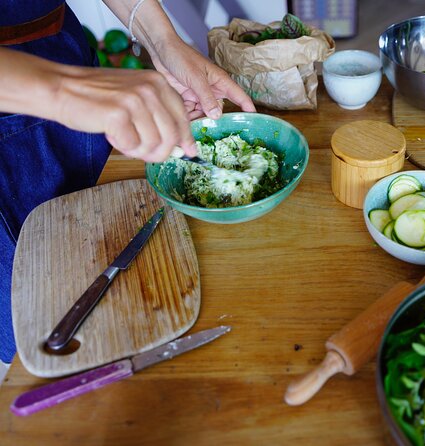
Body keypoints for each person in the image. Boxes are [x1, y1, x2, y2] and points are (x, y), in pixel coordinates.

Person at [0, 0, 255, 365]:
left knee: (114, 271)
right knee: (34, 318)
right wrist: (61, 88)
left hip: (61, 50)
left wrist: (161, 39)